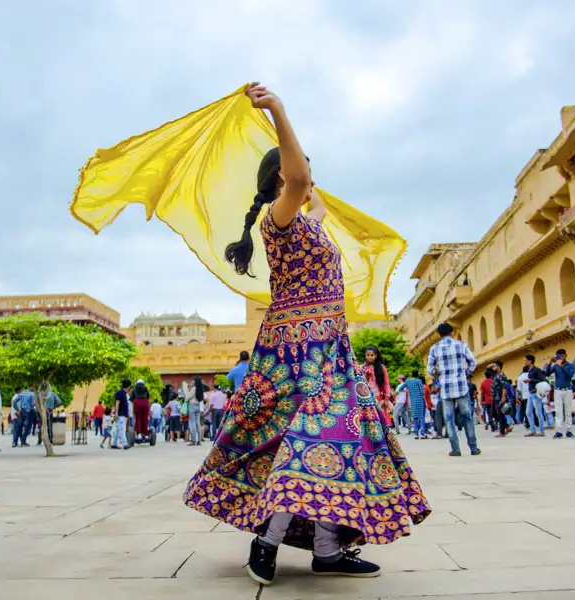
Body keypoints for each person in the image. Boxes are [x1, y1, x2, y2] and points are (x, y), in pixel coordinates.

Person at [185, 83, 430, 585]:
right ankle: (267, 541)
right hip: (297, 350)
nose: (309, 180)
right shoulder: (279, 222)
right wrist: (277, 110)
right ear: (283, 179)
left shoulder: (308, 221)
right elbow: (297, 176)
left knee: (338, 438)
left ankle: (326, 549)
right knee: (309, 436)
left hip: (329, 347)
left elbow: (314, 202)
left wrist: (315, 193)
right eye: (302, 175)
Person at [427, 322, 478, 457]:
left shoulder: (434, 348)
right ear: (452, 332)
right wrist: (465, 373)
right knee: (467, 416)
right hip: (461, 385)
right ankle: (473, 447)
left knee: (448, 418)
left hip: (446, 388)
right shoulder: (461, 345)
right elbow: (473, 362)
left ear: (439, 334)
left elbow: (430, 369)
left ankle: (456, 449)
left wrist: (440, 375)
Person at [545, 349, 575, 439]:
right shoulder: (555, 366)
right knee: (558, 412)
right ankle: (558, 431)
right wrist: (550, 363)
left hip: (568, 390)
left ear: (565, 355)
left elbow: (569, 376)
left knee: (568, 411)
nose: (560, 358)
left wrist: (561, 366)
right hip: (558, 390)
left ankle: (569, 431)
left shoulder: (571, 366)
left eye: (562, 356)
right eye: (558, 356)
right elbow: (547, 373)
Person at [361, 346, 392, 426]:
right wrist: (366, 376)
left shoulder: (381, 368)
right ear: (365, 356)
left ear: (376, 356)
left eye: (372, 355)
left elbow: (386, 384)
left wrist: (386, 398)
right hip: (367, 398)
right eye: (368, 355)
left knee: (381, 419)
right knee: (370, 420)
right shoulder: (362, 368)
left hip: (379, 398)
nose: (370, 357)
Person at [523, 355, 546, 437]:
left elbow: (543, 380)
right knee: (528, 412)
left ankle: (541, 430)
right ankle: (532, 430)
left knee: (538, 412)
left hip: (536, 393)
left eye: (525, 360)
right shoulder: (530, 371)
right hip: (530, 393)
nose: (524, 362)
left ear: (530, 361)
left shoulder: (536, 370)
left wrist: (531, 380)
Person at [403, 371, 427, 439]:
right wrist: (425, 402)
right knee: (421, 417)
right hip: (420, 400)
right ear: (417, 375)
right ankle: (422, 434)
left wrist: (407, 390)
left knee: (415, 417)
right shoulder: (419, 381)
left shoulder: (408, 381)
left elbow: (400, 388)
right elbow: (422, 392)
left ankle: (416, 434)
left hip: (413, 401)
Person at [490, 361, 510, 438]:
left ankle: (502, 432)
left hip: (499, 397)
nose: (492, 368)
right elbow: (487, 368)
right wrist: (492, 364)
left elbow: (504, 387)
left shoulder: (502, 375)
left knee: (500, 414)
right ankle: (507, 427)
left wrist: (503, 397)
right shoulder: (495, 375)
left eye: (494, 366)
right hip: (495, 397)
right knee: (495, 413)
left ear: (498, 367)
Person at [186, 377, 205, 446]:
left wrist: (189, 389)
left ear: (195, 381)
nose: (193, 381)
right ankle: (199, 440)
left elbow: (187, 397)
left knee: (193, 423)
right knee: (198, 423)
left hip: (192, 406)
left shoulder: (194, 389)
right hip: (198, 406)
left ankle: (193, 440)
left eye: (193, 380)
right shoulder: (201, 389)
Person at [113, 379, 131, 450]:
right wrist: (116, 413)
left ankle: (114, 444)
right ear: (128, 386)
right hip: (121, 415)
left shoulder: (124, 394)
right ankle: (125, 444)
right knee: (122, 429)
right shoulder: (120, 393)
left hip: (124, 414)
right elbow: (117, 403)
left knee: (118, 430)